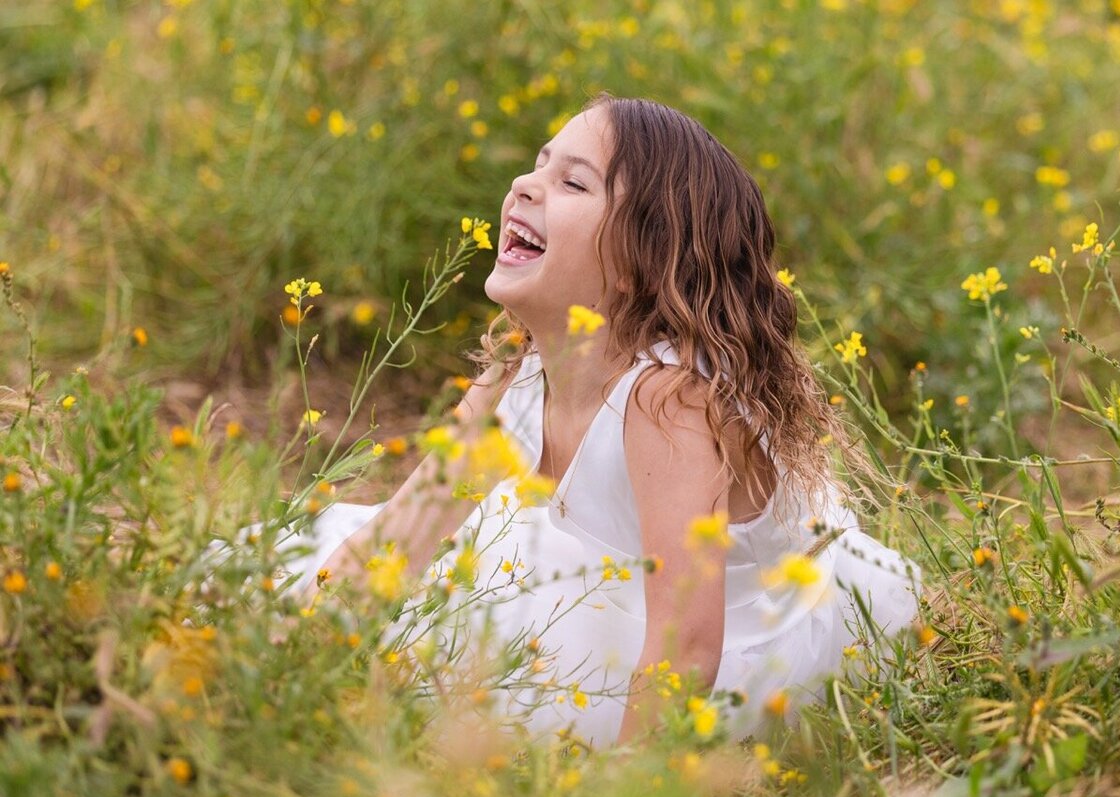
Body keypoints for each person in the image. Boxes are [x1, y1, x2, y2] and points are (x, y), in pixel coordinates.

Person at [292, 94, 921, 748]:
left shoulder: (669, 405)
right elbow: (406, 532)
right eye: (537, 165)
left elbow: (689, 647)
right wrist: (294, 651)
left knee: (503, 699)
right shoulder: (518, 362)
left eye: (572, 181)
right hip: (610, 589)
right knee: (373, 602)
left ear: (639, 259)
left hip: (728, 645)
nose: (523, 186)